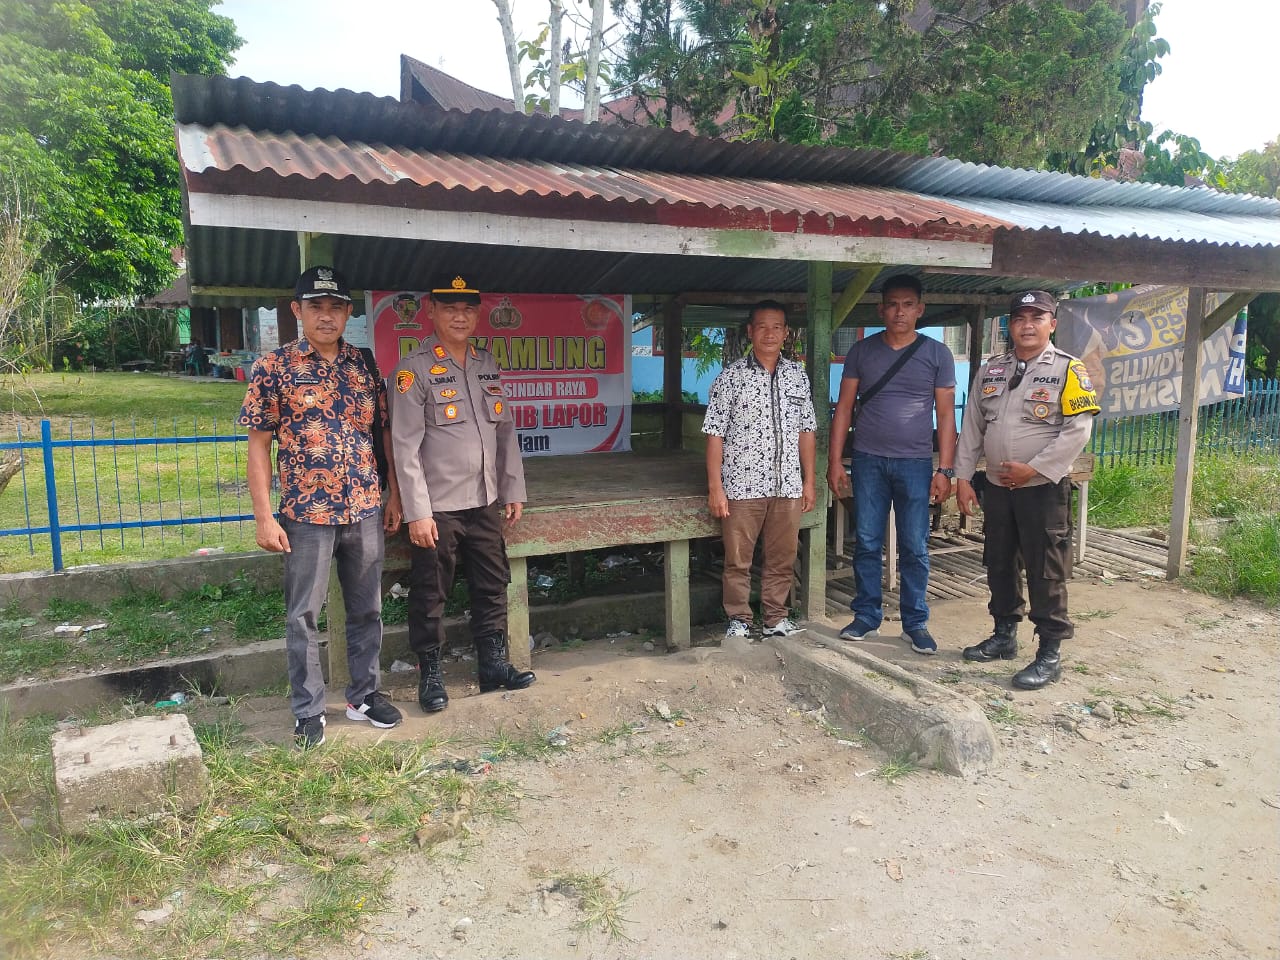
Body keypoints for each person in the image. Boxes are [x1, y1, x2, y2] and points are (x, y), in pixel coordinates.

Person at [241, 265, 405, 748]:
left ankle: (364, 695)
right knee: (303, 616)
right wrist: (264, 516)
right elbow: (258, 446)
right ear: (298, 310)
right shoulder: (273, 368)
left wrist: (394, 492)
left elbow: (383, 433)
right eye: (316, 307)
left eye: (336, 307)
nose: (327, 316)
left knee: (368, 608)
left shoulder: (364, 365)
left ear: (349, 313)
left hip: (365, 506)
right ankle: (308, 711)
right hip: (306, 514)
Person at [390, 272, 535, 714]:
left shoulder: (486, 363)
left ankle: (493, 665)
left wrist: (512, 488)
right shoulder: (412, 370)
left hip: (485, 500)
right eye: (449, 308)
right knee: (430, 591)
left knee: (492, 583)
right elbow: (404, 446)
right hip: (438, 507)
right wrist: (417, 512)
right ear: (431, 311)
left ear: (477, 314)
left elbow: (505, 432)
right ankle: (430, 674)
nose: (459, 317)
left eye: (468, 309)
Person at [955, 290, 1100, 689]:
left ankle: (1049, 653)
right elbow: (973, 427)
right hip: (998, 487)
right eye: (1020, 318)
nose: (1027, 325)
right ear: (1011, 325)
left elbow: (1078, 430)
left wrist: (1033, 469)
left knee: (1045, 569)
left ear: (1052, 324)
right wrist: (963, 478)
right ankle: (1004, 635)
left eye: (1037, 318)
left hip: (1042, 489)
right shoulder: (992, 370)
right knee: (999, 562)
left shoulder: (1069, 370)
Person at [827, 274, 957, 655]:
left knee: (915, 545)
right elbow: (844, 409)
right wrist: (835, 462)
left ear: (920, 309)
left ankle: (915, 623)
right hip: (868, 461)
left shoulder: (937, 354)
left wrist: (945, 469)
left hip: (916, 463)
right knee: (867, 541)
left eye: (908, 305)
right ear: (881, 310)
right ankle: (866, 616)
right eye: (893, 305)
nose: (900, 312)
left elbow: (945, 415)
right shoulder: (862, 352)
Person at [703, 301, 817, 640]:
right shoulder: (730, 377)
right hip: (742, 485)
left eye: (777, 327)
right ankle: (739, 620)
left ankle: (775, 619)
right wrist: (715, 487)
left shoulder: (797, 375)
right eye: (762, 327)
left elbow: (807, 430)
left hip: (787, 485)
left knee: (782, 558)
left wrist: (809, 481)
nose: (770, 334)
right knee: (738, 560)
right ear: (750, 331)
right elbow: (714, 434)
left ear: (786, 333)